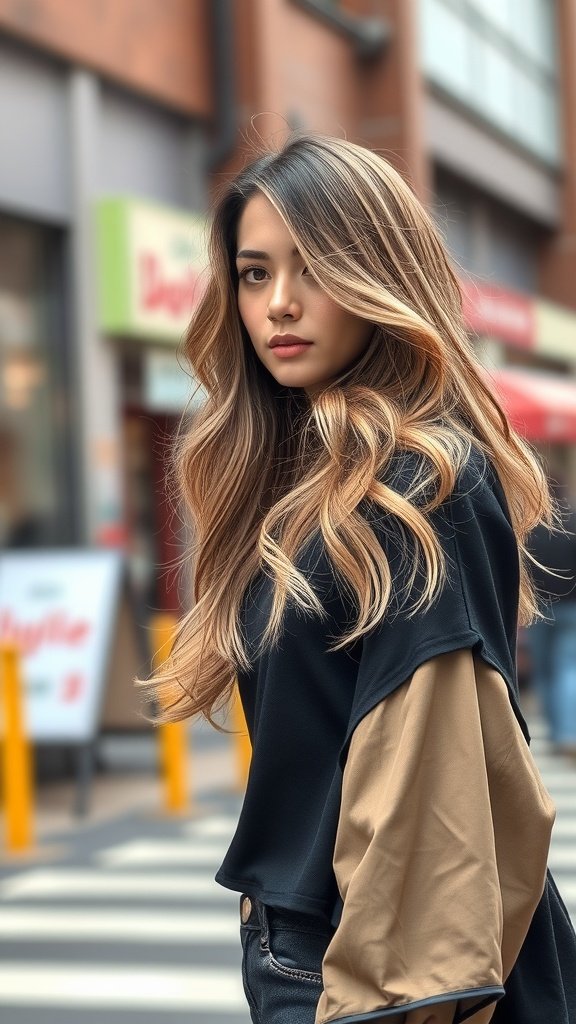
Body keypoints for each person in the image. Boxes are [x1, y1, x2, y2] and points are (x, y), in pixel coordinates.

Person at [137, 132, 576, 1024]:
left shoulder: (423, 481)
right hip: (309, 944)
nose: (280, 305)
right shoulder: (300, 481)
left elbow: (431, 788)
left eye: (315, 268)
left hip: (374, 971)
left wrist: (383, 998)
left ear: (381, 275)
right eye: (254, 274)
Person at [526, 480, 576, 755]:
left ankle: (558, 732)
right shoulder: (574, 525)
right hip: (572, 608)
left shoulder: (533, 529)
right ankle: (569, 733)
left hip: (540, 608)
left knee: (543, 671)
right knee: (568, 668)